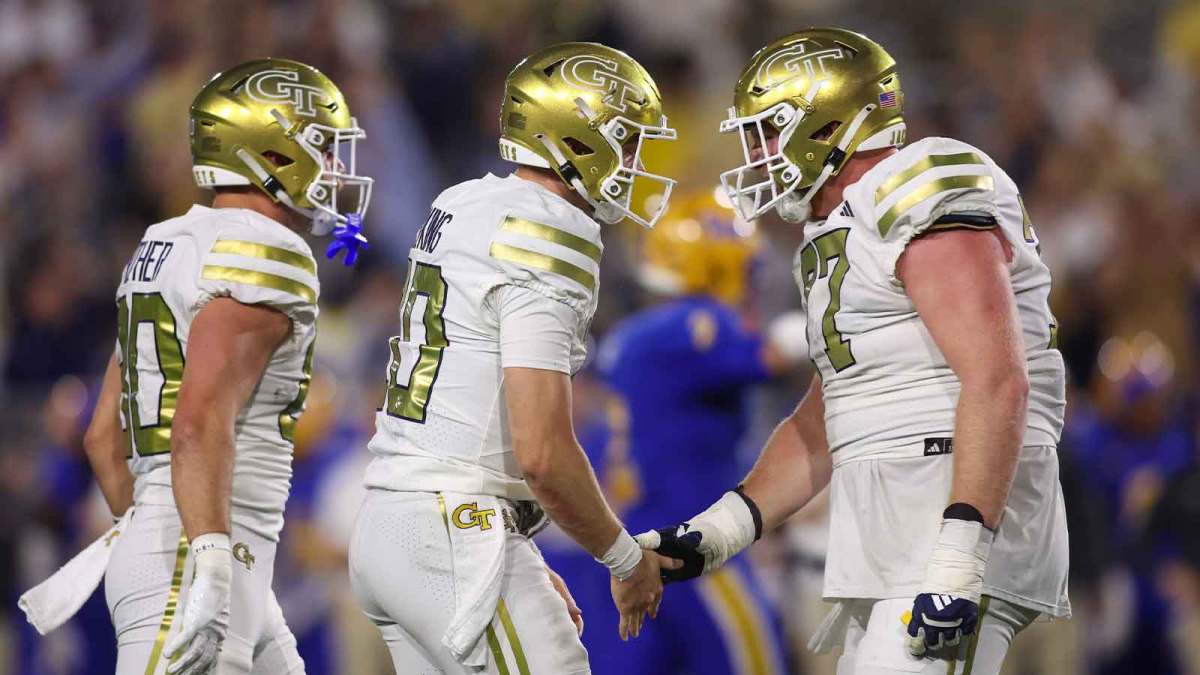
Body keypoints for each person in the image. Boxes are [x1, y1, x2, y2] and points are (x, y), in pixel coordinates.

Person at [637, 28, 1069, 674]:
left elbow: (997, 376)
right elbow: (828, 416)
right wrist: (721, 530)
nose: (754, 152)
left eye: (768, 130)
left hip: (953, 521)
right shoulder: (837, 230)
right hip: (889, 532)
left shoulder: (918, 182)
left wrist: (958, 555)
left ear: (826, 121)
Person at [347, 42, 679, 674]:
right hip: (453, 532)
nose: (636, 161)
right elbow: (542, 452)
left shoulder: (465, 201)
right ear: (578, 140)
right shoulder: (549, 230)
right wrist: (624, 559)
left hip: (396, 523)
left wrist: (511, 554)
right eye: (626, 140)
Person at [82, 58, 373, 675]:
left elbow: (104, 439)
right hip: (204, 555)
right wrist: (208, 558)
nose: (336, 169)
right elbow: (198, 420)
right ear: (269, 154)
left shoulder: (164, 244)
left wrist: (158, 537)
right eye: (321, 146)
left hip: (184, 547)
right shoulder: (267, 249)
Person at [580, 191, 795, 675]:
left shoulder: (629, 336)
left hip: (630, 550)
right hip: (692, 548)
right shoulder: (696, 324)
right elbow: (775, 355)